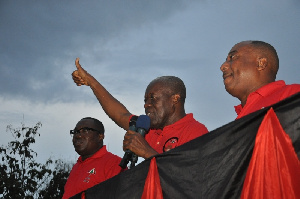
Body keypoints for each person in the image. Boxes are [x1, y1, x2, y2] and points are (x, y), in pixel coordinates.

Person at [72, 59, 208, 159]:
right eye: (145, 100)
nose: (146, 105)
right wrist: (91, 82)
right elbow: (120, 114)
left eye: (153, 98)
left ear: (175, 99)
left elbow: (190, 179)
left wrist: (147, 152)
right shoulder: (147, 130)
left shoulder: (195, 131)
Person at [220, 40, 300, 119]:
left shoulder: (293, 94)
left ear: (261, 63)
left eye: (233, 57)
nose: (223, 66)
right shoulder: (239, 120)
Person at [63, 117, 124, 199]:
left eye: (85, 130)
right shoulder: (76, 167)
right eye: (76, 132)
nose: (78, 135)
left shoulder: (114, 163)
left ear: (100, 136)